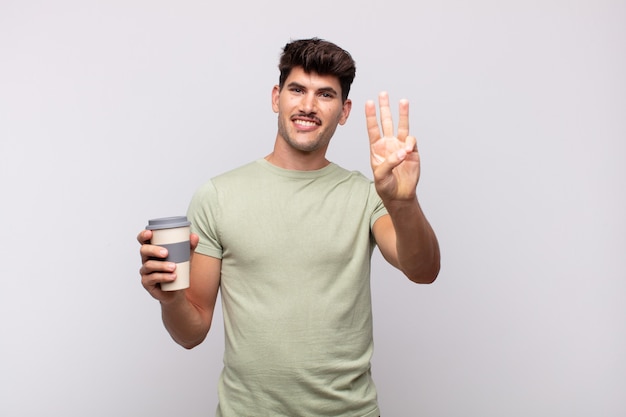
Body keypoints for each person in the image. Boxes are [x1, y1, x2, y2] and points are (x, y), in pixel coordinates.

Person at [138, 37, 440, 417]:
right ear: (276, 97)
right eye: (297, 89)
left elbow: (423, 270)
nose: (308, 106)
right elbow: (191, 332)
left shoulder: (367, 196)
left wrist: (403, 202)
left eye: (325, 95)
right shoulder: (217, 195)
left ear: (344, 111)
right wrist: (170, 300)